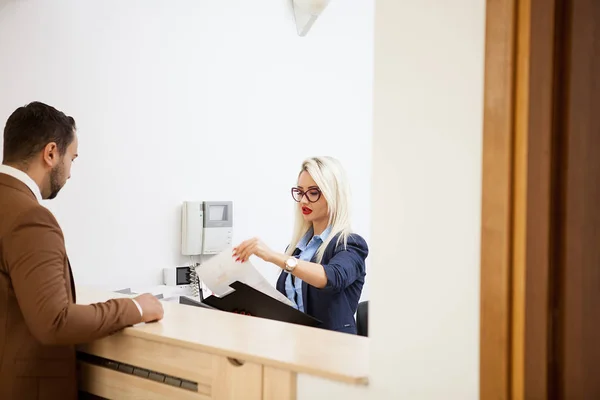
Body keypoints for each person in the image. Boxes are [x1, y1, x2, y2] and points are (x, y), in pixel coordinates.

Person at [0, 102, 164, 399]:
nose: (71, 174)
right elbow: (55, 322)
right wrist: (136, 308)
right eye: (71, 159)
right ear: (51, 154)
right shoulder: (30, 217)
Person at [233, 156, 368, 334]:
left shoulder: (350, 244)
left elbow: (332, 277)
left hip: (334, 350)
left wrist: (275, 257)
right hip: (294, 345)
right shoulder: (297, 249)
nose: (304, 201)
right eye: (300, 192)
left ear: (333, 196)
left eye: (313, 193)